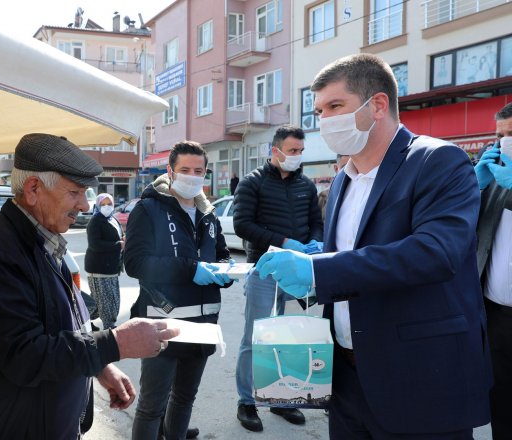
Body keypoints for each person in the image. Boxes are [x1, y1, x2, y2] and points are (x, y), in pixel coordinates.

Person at [256, 53, 492, 438]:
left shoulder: (439, 161)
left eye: (335, 106)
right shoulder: (343, 179)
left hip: (418, 377)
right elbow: (353, 262)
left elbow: (436, 252)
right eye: (318, 111)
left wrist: (320, 270)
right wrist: (315, 273)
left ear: (377, 105)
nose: (324, 121)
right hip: (349, 377)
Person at [0, 133, 180, 440]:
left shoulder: (41, 239)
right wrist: (115, 343)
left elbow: (61, 324)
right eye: (75, 193)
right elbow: (25, 355)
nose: (85, 205)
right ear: (34, 189)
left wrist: (99, 366)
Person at [124, 140, 233, 440]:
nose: (192, 176)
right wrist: (191, 270)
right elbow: (134, 263)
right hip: (162, 324)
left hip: (203, 325)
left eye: (198, 170)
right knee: (151, 406)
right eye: (185, 169)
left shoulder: (208, 213)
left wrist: (225, 271)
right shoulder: (148, 209)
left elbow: (222, 253)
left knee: (185, 398)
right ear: (170, 171)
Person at [232, 125, 323, 432]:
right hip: (265, 269)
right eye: (292, 151)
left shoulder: (306, 186)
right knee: (256, 336)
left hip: (299, 270)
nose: (297, 156)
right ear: (275, 151)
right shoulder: (252, 183)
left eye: (300, 151)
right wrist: (284, 241)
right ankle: (246, 401)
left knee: (289, 335)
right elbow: (243, 224)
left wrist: (314, 242)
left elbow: (316, 223)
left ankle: (283, 398)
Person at [474, 102, 512, 440]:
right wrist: (473, 187)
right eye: (499, 135)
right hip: (498, 314)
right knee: (500, 402)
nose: (503, 142)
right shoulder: (497, 176)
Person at [85, 193, 124, 329]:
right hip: (99, 268)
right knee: (107, 301)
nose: (106, 207)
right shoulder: (95, 221)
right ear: (97, 205)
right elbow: (95, 245)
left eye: (109, 204)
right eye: (103, 204)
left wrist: (124, 240)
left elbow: (119, 235)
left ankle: (80, 319)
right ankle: (110, 327)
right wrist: (118, 245)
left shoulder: (113, 219)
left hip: (112, 268)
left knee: (99, 302)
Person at [318, 155, 350, 220]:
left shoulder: (365, 194)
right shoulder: (323, 197)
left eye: (354, 167)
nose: (350, 170)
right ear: (336, 168)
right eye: (345, 167)